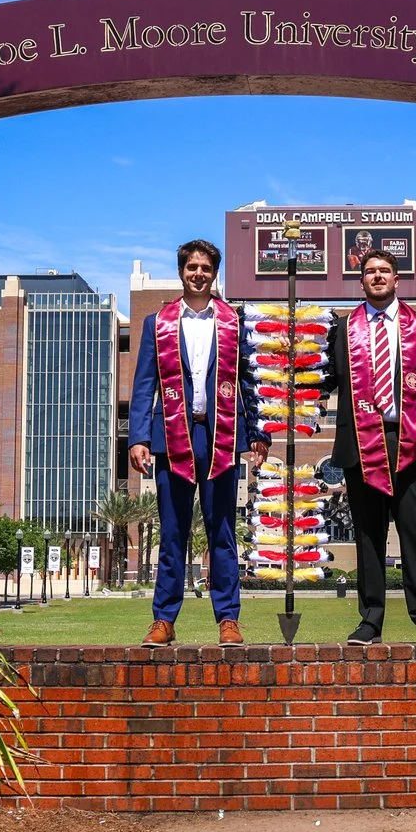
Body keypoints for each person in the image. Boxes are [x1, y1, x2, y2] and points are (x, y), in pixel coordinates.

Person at [128, 238, 269, 645]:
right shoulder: (158, 323)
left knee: (221, 530)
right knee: (173, 532)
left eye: (205, 267)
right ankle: (163, 620)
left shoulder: (234, 321)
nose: (198, 274)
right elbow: (144, 383)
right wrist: (138, 436)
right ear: (181, 271)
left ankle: (228, 619)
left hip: (221, 434)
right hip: (172, 436)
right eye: (192, 267)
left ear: (214, 273)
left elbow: (250, 381)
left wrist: (258, 432)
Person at [320, 247, 416, 648]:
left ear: (397, 279)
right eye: (370, 271)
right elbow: (325, 381)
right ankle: (370, 622)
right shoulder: (342, 329)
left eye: (384, 270)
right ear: (361, 281)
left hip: (410, 443)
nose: (377, 276)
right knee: (368, 538)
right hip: (360, 445)